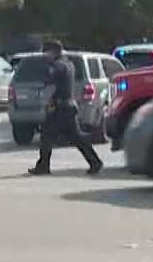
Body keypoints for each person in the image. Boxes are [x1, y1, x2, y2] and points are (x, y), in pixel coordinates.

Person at [30, 40, 102, 176]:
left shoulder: (56, 67)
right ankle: (95, 162)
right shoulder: (69, 64)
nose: (45, 55)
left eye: (47, 51)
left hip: (58, 108)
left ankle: (43, 167)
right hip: (68, 106)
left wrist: (43, 102)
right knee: (76, 137)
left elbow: (51, 87)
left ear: (53, 52)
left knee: (46, 136)